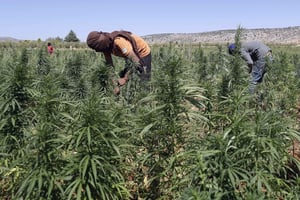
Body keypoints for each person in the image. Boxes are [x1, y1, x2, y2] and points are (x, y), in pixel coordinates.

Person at [86, 30, 151, 94]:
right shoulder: (105, 46)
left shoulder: (119, 41)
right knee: (124, 75)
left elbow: (136, 62)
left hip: (142, 53)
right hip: (129, 55)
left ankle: (145, 97)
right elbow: (109, 65)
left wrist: (125, 79)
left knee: (143, 78)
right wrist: (114, 84)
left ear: (100, 43)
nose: (97, 50)